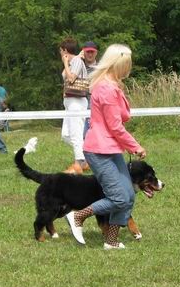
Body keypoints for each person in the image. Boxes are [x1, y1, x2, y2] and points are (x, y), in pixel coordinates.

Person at [65, 44, 147, 250]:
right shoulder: (106, 89)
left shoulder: (111, 85)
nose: (129, 69)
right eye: (127, 65)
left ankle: (111, 241)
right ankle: (78, 215)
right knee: (119, 198)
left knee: (128, 196)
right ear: (118, 65)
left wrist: (125, 145)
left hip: (110, 148)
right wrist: (135, 146)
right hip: (99, 151)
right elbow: (115, 126)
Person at [60, 37, 90, 174]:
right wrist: (67, 62)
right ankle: (87, 156)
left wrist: (66, 62)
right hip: (69, 102)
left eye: (61, 51)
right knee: (66, 135)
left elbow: (71, 78)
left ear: (65, 51)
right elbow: (64, 75)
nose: (60, 53)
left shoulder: (76, 61)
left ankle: (79, 164)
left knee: (76, 134)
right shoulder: (74, 61)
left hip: (77, 102)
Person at [81, 41, 99, 138]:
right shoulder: (78, 65)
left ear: (96, 53)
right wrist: (77, 59)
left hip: (95, 102)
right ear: (83, 52)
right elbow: (65, 76)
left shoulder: (101, 68)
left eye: (92, 52)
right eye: (88, 52)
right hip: (80, 101)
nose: (90, 54)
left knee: (90, 134)